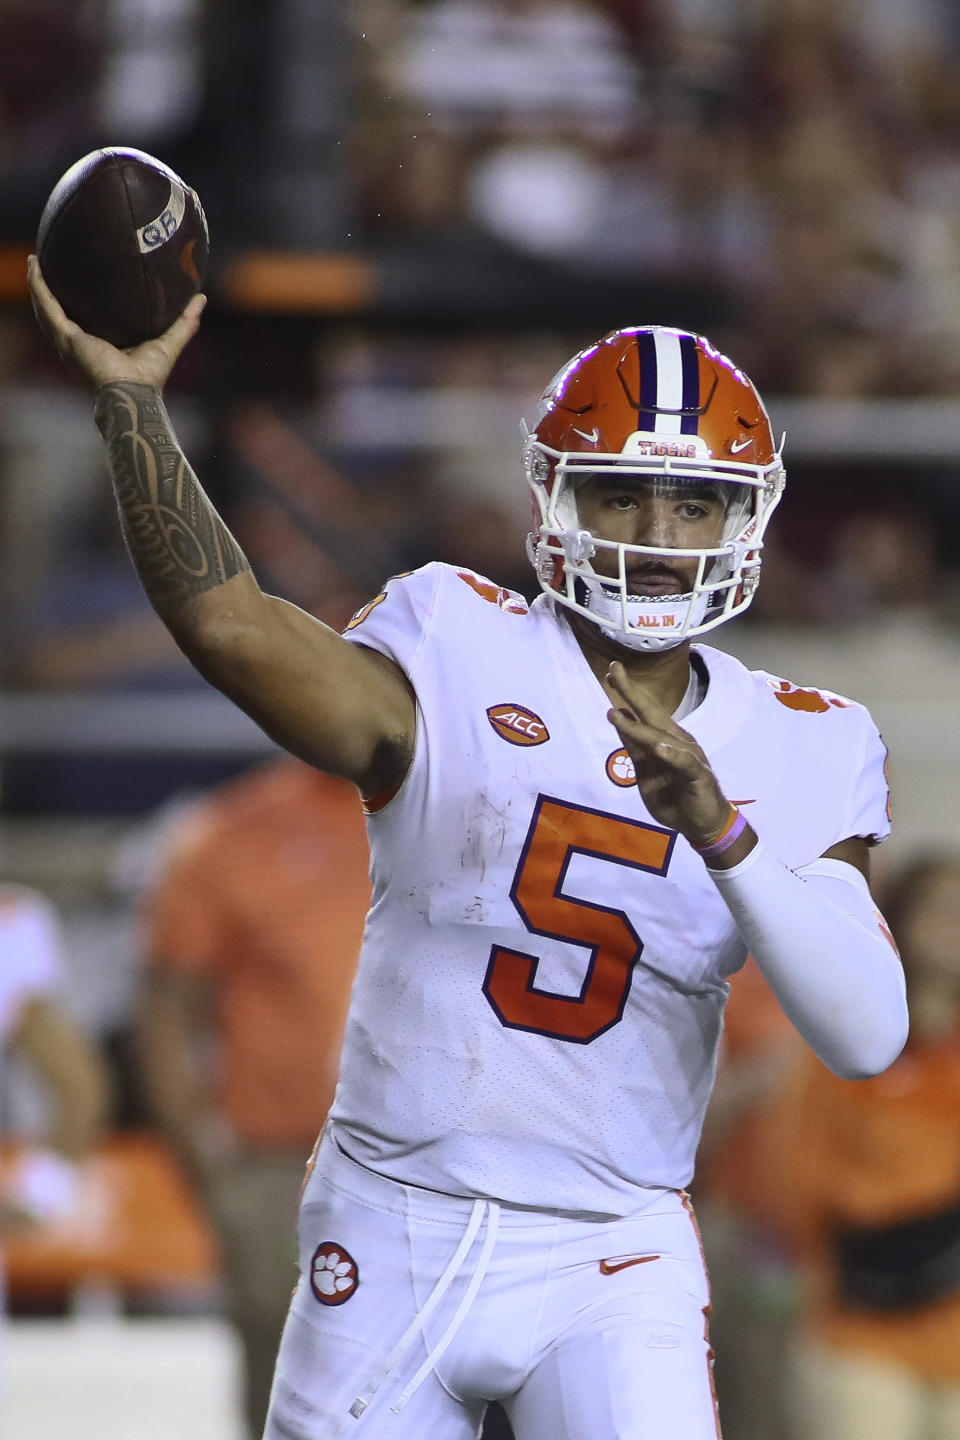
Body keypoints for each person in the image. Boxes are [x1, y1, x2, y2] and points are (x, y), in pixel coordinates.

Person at [27, 256, 909, 1440]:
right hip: (398, 1217)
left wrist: (722, 831)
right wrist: (132, 406)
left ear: (744, 518)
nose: (655, 534)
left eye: (692, 502)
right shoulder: (457, 638)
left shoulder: (807, 742)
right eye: (619, 494)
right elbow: (232, 629)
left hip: (617, 1242)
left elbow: (866, 1036)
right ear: (555, 501)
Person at [135, 757, 372, 1439]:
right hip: (281, 1165)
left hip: (461, 1158)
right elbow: (166, 1006)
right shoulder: (230, 830)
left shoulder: (480, 809)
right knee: (290, 1390)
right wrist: (214, 1167)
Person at [772, 852, 960, 1440]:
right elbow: (798, 1181)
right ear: (902, 922)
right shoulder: (857, 1040)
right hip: (865, 1333)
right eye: (942, 912)